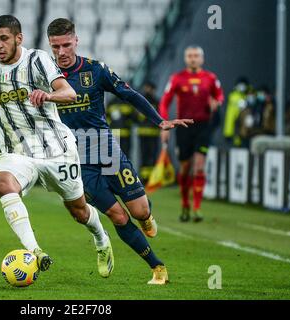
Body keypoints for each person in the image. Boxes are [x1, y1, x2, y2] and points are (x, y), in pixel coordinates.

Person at [0, 15, 114, 276]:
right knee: (3, 184)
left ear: (19, 38)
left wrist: (47, 95)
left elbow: (69, 93)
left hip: (56, 150)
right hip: (16, 152)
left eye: (4, 39)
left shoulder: (38, 60)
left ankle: (101, 238)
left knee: (78, 209)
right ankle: (35, 251)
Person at [43, 18, 193, 285]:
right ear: (50, 45)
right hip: (77, 160)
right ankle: (157, 267)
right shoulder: (44, 75)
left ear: (76, 41)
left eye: (66, 45)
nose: (62, 52)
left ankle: (146, 216)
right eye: (56, 47)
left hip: (105, 148)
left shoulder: (95, 70)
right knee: (118, 215)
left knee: (139, 211)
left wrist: (159, 120)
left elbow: (129, 94)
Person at [159, 45, 224, 223]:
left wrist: (216, 102)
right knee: (185, 168)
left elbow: (220, 95)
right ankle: (185, 203)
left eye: (196, 56)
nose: (193, 58)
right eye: (190, 56)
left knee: (199, 166)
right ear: (186, 58)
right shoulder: (177, 79)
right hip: (184, 128)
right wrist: (164, 123)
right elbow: (165, 102)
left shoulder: (210, 78)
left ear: (202, 59)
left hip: (203, 127)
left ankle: (197, 207)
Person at [136, 81, 161, 182]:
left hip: (153, 133)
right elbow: (135, 117)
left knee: (152, 155)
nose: (148, 90)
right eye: (147, 87)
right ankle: (145, 178)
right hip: (144, 133)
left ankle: (152, 177)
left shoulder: (155, 102)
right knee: (145, 155)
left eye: (149, 88)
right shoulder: (141, 101)